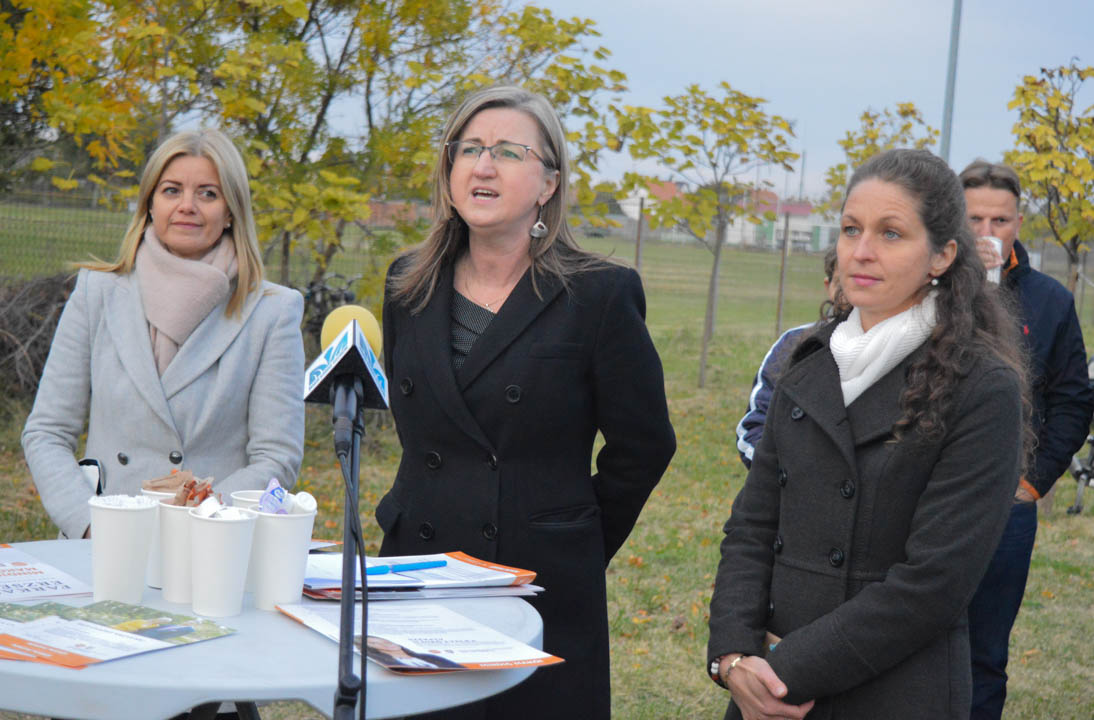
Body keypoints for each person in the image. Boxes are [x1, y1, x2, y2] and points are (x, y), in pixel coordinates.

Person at [378, 85, 676, 719]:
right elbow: (421, 436)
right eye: (470, 149)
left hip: (537, 587)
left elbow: (644, 444)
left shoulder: (599, 294)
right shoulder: (407, 283)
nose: (483, 166)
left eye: (509, 152)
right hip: (419, 574)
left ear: (548, 184)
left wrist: (574, 537)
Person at [707, 148, 1031, 720]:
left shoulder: (982, 386)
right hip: (765, 692)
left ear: (942, 255)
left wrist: (782, 671)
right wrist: (733, 656)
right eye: (851, 229)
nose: (860, 251)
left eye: (890, 233)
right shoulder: (809, 363)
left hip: (894, 690)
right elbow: (753, 525)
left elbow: (933, 583)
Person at [22, 128, 305, 541]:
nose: (187, 206)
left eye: (208, 193)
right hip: (103, 543)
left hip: (211, 546)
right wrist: (87, 524)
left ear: (231, 211)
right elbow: (46, 431)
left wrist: (198, 523)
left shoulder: (271, 311)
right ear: (150, 204)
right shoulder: (97, 293)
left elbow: (277, 457)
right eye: (172, 190)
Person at [960, 159, 1094, 720]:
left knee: (984, 654)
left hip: (1005, 507)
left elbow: (1072, 399)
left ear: (1019, 222)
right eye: (973, 219)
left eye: (1001, 219)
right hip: (919, 494)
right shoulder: (921, 287)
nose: (987, 233)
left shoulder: (1050, 301)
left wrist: (1033, 484)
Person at [736, 245, 842, 468]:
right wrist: (787, 479)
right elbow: (754, 426)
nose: (853, 293)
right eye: (842, 284)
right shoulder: (793, 345)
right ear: (828, 287)